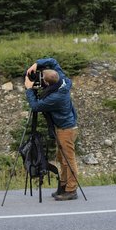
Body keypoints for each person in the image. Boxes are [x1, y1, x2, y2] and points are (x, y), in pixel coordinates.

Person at [24, 58, 79, 201]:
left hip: (66, 129)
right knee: (61, 158)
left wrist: (29, 89)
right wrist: (36, 64)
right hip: (63, 128)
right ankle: (64, 185)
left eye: (42, 79)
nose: (40, 81)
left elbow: (35, 106)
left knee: (68, 160)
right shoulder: (61, 79)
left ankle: (71, 190)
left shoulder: (56, 97)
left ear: (47, 83)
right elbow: (53, 61)